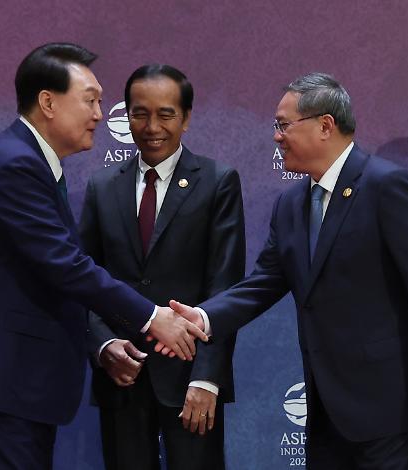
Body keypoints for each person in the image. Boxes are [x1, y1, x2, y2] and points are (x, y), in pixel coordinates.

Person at [0, 43, 206, 469]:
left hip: (11, 387)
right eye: (90, 100)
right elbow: (67, 266)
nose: (99, 114)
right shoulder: (15, 165)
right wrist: (152, 317)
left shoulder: (30, 161)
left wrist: (104, 342)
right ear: (48, 102)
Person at [170, 72, 408, 469]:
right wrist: (204, 315)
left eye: (283, 125)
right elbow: (264, 283)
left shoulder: (388, 187)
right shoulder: (290, 204)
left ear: (325, 125)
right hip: (325, 411)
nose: (276, 136)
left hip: (388, 406)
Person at [79, 64, 245, 470]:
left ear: (186, 118)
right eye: (140, 113)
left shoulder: (218, 181)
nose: (152, 126)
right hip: (123, 373)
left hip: (191, 380)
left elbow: (225, 289)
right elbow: (82, 279)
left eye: (166, 114)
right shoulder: (102, 187)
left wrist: (208, 378)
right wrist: (102, 347)